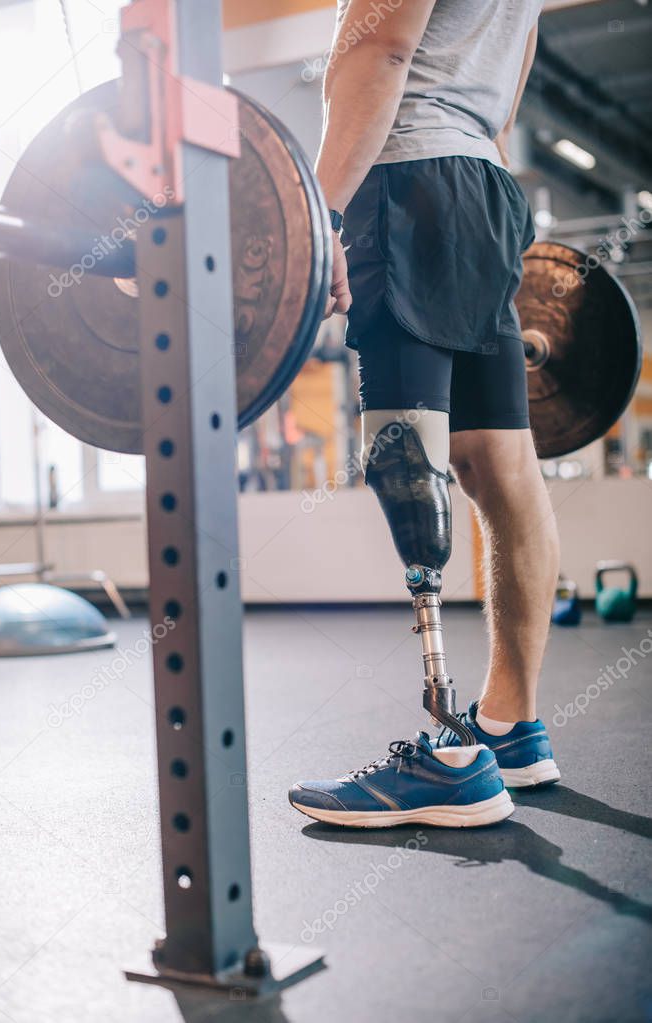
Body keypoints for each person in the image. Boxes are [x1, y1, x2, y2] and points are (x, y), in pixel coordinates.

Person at [289, 0, 561, 828]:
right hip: (483, 185)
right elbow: (506, 94)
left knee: (403, 451)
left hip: (404, 175)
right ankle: (509, 726)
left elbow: (382, 48)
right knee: (499, 464)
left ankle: (447, 753)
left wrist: (322, 212)